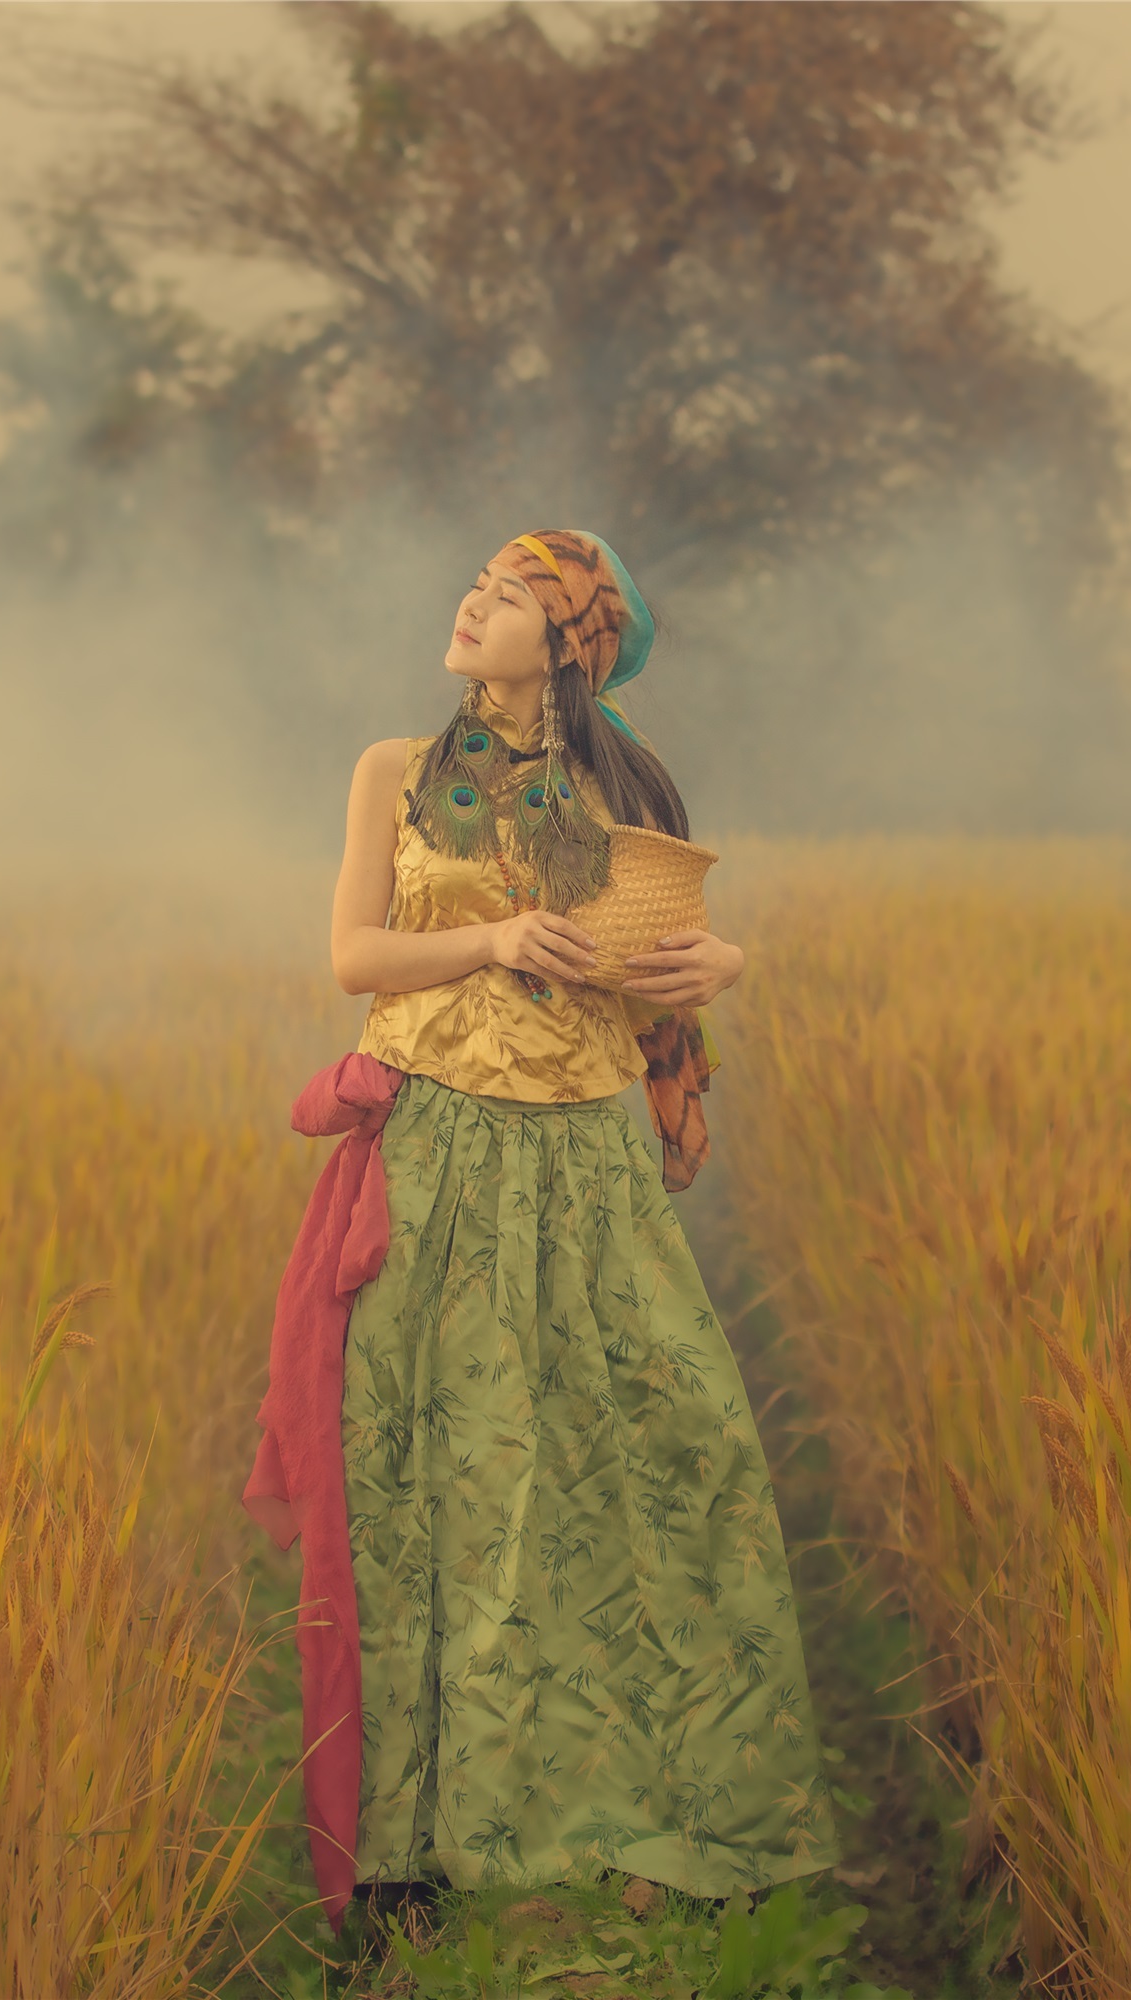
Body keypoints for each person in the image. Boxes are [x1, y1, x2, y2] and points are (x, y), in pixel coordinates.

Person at [242, 529, 837, 1938]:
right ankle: (414, 1845)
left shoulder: (611, 793)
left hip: (583, 1165)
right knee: (432, 1475)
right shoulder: (397, 770)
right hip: (439, 1151)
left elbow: (642, 969)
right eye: (478, 583)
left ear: (571, 640)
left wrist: (721, 960)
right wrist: (496, 941)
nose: (472, 603)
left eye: (511, 596)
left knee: (666, 1455)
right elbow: (353, 959)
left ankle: (668, 1799)